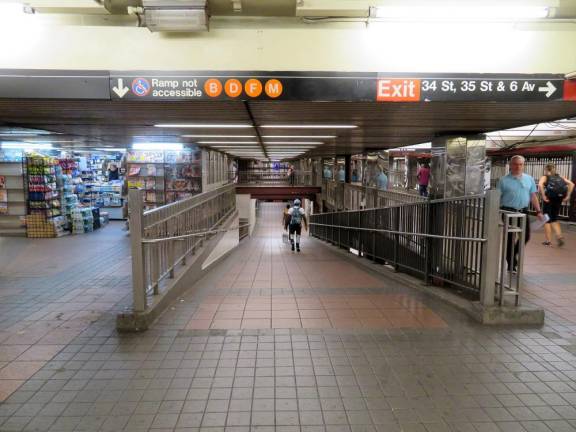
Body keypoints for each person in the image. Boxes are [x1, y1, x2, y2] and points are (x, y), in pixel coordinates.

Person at [498, 155, 545, 271]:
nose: (518, 166)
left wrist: (538, 211)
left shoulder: (529, 179)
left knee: (526, 236)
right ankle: (511, 264)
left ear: (523, 165)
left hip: (523, 212)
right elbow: (497, 197)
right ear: (511, 165)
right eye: (515, 164)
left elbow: (533, 196)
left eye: (520, 164)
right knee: (510, 238)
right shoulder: (503, 180)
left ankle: (512, 255)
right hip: (508, 211)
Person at [538, 163, 574, 247]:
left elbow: (540, 184)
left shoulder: (545, 177)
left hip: (549, 199)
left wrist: (543, 196)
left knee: (547, 219)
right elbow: (572, 184)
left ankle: (548, 241)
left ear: (546, 169)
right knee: (554, 218)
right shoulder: (560, 177)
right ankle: (559, 236)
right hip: (558, 199)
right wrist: (568, 195)